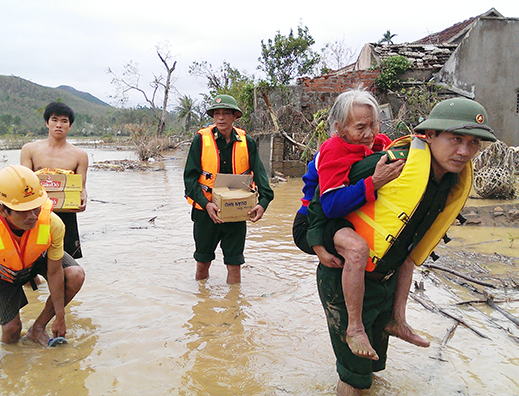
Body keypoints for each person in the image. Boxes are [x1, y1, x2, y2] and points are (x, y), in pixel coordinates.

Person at [308, 97, 496, 395]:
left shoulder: (450, 178)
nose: (464, 151)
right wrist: (315, 241)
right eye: (456, 139)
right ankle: (353, 327)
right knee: (354, 381)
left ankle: (398, 318)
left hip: (386, 284)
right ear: (430, 135)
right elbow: (320, 200)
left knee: (373, 372)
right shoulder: (389, 163)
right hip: (345, 283)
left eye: (474, 143)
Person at [292, 89, 401, 360]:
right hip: (313, 221)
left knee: (407, 248)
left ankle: (398, 318)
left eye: (372, 125)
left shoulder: (377, 144)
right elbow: (330, 205)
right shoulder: (333, 150)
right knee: (357, 249)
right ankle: (354, 327)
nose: (368, 133)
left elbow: (398, 149)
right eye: (360, 127)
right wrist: (373, 182)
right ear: (339, 128)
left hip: (342, 219)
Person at [0, 165, 86, 360]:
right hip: (1, 269)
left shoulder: (52, 222)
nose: (33, 216)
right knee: (11, 333)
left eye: (35, 207)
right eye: (23, 211)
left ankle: (37, 328)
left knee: (75, 275)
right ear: (3, 210)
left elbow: (55, 273)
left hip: (37, 258)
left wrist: (60, 318)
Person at [184, 94, 274, 284]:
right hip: (205, 212)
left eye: (226, 113)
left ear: (235, 117)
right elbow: (190, 180)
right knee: (202, 262)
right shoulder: (200, 141)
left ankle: (233, 308)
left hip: (236, 212)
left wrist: (263, 203)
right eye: (217, 114)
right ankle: (202, 304)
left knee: (234, 265)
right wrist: (206, 205)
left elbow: (260, 174)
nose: (221, 118)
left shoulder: (247, 142)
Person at [21, 101, 88, 259]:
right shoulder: (30, 150)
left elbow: (81, 187)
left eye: (64, 121)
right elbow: (23, 184)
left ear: (70, 126)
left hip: (66, 215)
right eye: (54, 120)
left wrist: (83, 197)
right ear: (47, 123)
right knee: (30, 263)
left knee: (67, 266)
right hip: (35, 214)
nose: (59, 125)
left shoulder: (80, 155)